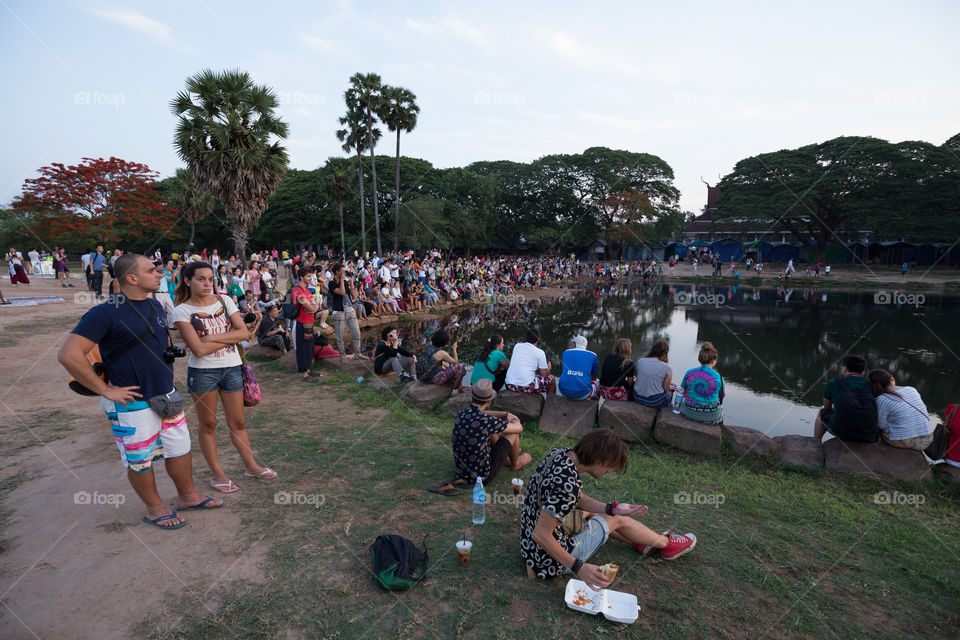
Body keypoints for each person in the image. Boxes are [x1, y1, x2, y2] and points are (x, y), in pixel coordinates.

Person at [57, 253, 223, 529]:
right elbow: (69, 354)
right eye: (151, 270)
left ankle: (188, 496)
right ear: (131, 278)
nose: (159, 273)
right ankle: (155, 507)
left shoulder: (155, 306)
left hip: (166, 394)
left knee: (179, 448)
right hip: (131, 401)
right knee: (139, 458)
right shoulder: (104, 312)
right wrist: (105, 390)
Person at [520, 428, 697, 584]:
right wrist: (580, 568)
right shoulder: (567, 486)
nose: (610, 470)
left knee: (608, 514)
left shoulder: (560, 454)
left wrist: (611, 508)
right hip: (547, 560)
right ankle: (668, 545)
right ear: (599, 459)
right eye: (610, 465)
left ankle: (643, 542)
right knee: (616, 520)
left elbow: (577, 499)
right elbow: (541, 534)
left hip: (528, 545)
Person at [173, 261, 276, 493]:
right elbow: (197, 351)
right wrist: (223, 337)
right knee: (208, 424)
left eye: (210, 278)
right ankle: (217, 474)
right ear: (188, 281)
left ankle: (251, 466)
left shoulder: (225, 300)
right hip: (202, 373)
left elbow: (243, 333)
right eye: (201, 279)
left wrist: (209, 339)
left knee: (238, 423)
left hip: (232, 367)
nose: (207, 283)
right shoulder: (181, 310)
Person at [428, 380, 532, 496]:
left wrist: (504, 414)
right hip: (482, 477)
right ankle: (515, 463)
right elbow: (519, 428)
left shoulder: (463, 412)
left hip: (462, 472)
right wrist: (512, 418)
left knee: (491, 431)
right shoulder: (487, 421)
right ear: (489, 401)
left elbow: (484, 413)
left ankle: (506, 458)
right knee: (512, 433)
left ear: (473, 397)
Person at [813, 355, 878, 442]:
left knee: (822, 411)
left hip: (842, 432)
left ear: (845, 368)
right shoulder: (870, 385)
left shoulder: (833, 383)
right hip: (867, 434)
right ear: (862, 370)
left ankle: (816, 442)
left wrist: (836, 407)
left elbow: (827, 407)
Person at [867, 370, 934, 450]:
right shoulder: (912, 389)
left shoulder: (882, 399)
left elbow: (881, 425)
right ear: (892, 379)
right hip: (927, 439)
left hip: (903, 441)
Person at [678, 342, 725, 425]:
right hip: (711, 416)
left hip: (688, 412)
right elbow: (721, 397)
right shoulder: (719, 377)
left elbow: (684, 392)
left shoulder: (689, 372)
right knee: (722, 412)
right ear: (714, 360)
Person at [329, 263, 366, 361]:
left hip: (350, 309)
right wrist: (341, 280)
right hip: (339, 311)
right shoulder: (331, 283)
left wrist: (351, 282)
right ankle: (342, 355)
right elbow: (341, 292)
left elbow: (353, 296)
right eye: (342, 271)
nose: (344, 273)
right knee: (339, 336)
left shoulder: (345, 282)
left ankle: (357, 353)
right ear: (337, 272)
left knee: (356, 333)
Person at [504, 328, 556, 394]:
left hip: (509, 384)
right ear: (538, 339)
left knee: (532, 376)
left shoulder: (517, 346)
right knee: (552, 379)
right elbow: (544, 375)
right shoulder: (540, 352)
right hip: (525, 387)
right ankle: (550, 403)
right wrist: (548, 369)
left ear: (526, 337)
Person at [633, 340, 676, 408]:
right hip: (654, 401)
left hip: (637, 397)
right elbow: (666, 389)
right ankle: (669, 406)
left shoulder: (640, 361)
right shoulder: (667, 368)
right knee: (672, 389)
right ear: (665, 353)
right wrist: (669, 387)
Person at [557, 335, 600, 400]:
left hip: (563, 391)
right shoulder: (593, 355)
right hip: (583, 394)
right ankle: (594, 405)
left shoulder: (565, 353)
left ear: (574, 344)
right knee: (597, 382)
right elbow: (594, 377)